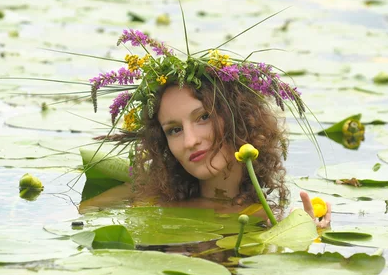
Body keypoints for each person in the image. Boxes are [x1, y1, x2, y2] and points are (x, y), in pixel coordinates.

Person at [86, 29, 332, 228]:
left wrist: (306, 234)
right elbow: (72, 222)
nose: (190, 141)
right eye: (174, 130)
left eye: (203, 117)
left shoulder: (267, 219)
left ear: (240, 118)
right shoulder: (141, 196)